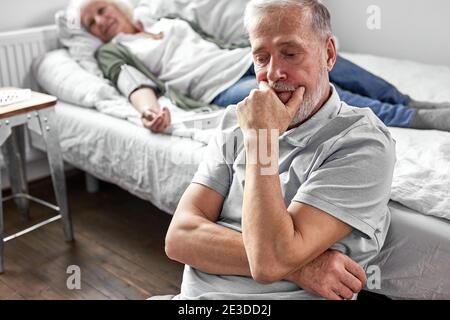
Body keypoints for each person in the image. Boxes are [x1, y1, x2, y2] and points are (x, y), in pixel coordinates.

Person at [163, 0, 396, 300]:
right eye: (261, 57)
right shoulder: (235, 123)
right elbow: (179, 238)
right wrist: (300, 267)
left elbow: (268, 261)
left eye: (290, 53)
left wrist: (261, 138)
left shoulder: (361, 142)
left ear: (328, 54)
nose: (273, 73)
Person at [80, 0, 450, 134]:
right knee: (310, 92)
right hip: (218, 88)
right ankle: (411, 119)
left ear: (116, 6)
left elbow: (216, 41)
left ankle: (410, 102)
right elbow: (130, 81)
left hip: (243, 58)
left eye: (100, 10)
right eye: (91, 24)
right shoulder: (112, 52)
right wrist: (148, 110)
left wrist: (265, 50)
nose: (100, 21)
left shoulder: (166, 20)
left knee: (324, 59)